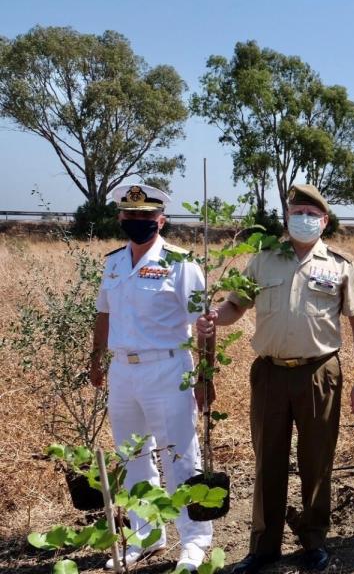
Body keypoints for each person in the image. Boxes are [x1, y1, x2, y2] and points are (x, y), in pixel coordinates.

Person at [195, 184, 354, 573]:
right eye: (297, 212)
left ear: (324, 221)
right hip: (270, 375)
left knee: (317, 462)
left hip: (319, 374)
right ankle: (263, 547)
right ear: (286, 217)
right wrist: (213, 318)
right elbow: (234, 307)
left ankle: (313, 541)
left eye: (312, 214)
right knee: (268, 461)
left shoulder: (340, 265)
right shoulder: (262, 260)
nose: (304, 219)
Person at [90, 183, 213, 571]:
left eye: (146, 216)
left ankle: (194, 541)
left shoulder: (181, 264)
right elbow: (104, 314)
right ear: (121, 218)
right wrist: (96, 359)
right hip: (123, 370)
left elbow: (205, 324)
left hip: (169, 367)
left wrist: (206, 377)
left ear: (161, 220)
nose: (137, 221)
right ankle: (146, 536)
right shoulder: (113, 262)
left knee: (180, 455)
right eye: (131, 215)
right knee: (133, 456)